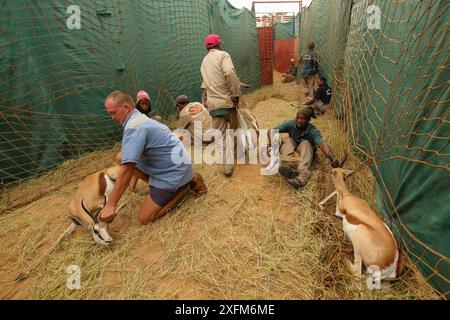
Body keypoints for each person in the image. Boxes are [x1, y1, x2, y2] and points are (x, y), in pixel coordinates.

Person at [100, 90, 206, 225]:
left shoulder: (134, 127)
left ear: (126, 107)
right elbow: (126, 159)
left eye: (113, 113)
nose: (112, 118)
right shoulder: (139, 118)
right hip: (179, 165)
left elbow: (127, 169)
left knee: (145, 218)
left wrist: (110, 204)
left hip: (173, 173)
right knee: (121, 157)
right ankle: (168, 183)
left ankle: (186, 187)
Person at [267, 106, 339, 189]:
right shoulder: (291, 124)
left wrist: (332, 159)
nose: (299, 120)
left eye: (302, 118)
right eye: (297, 117)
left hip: (305, 157)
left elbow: (322, 145)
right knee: (287, 140)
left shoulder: (313, 130)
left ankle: (301, 177)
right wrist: (272, 145)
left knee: (306, 143)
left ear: (308, 120)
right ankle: (288, 166)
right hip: (293, 156)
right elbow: (271, 131)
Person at [200, 34, 241, 177]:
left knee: (221, 136)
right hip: (227, 102)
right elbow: (229, 73)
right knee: (235, 130)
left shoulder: (204, 61)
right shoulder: (223, 55)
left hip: (214, 105)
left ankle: (227, 166)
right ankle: (238, 155)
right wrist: (235, 94)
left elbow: (204, 86)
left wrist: (206, 101)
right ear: (219, 44)